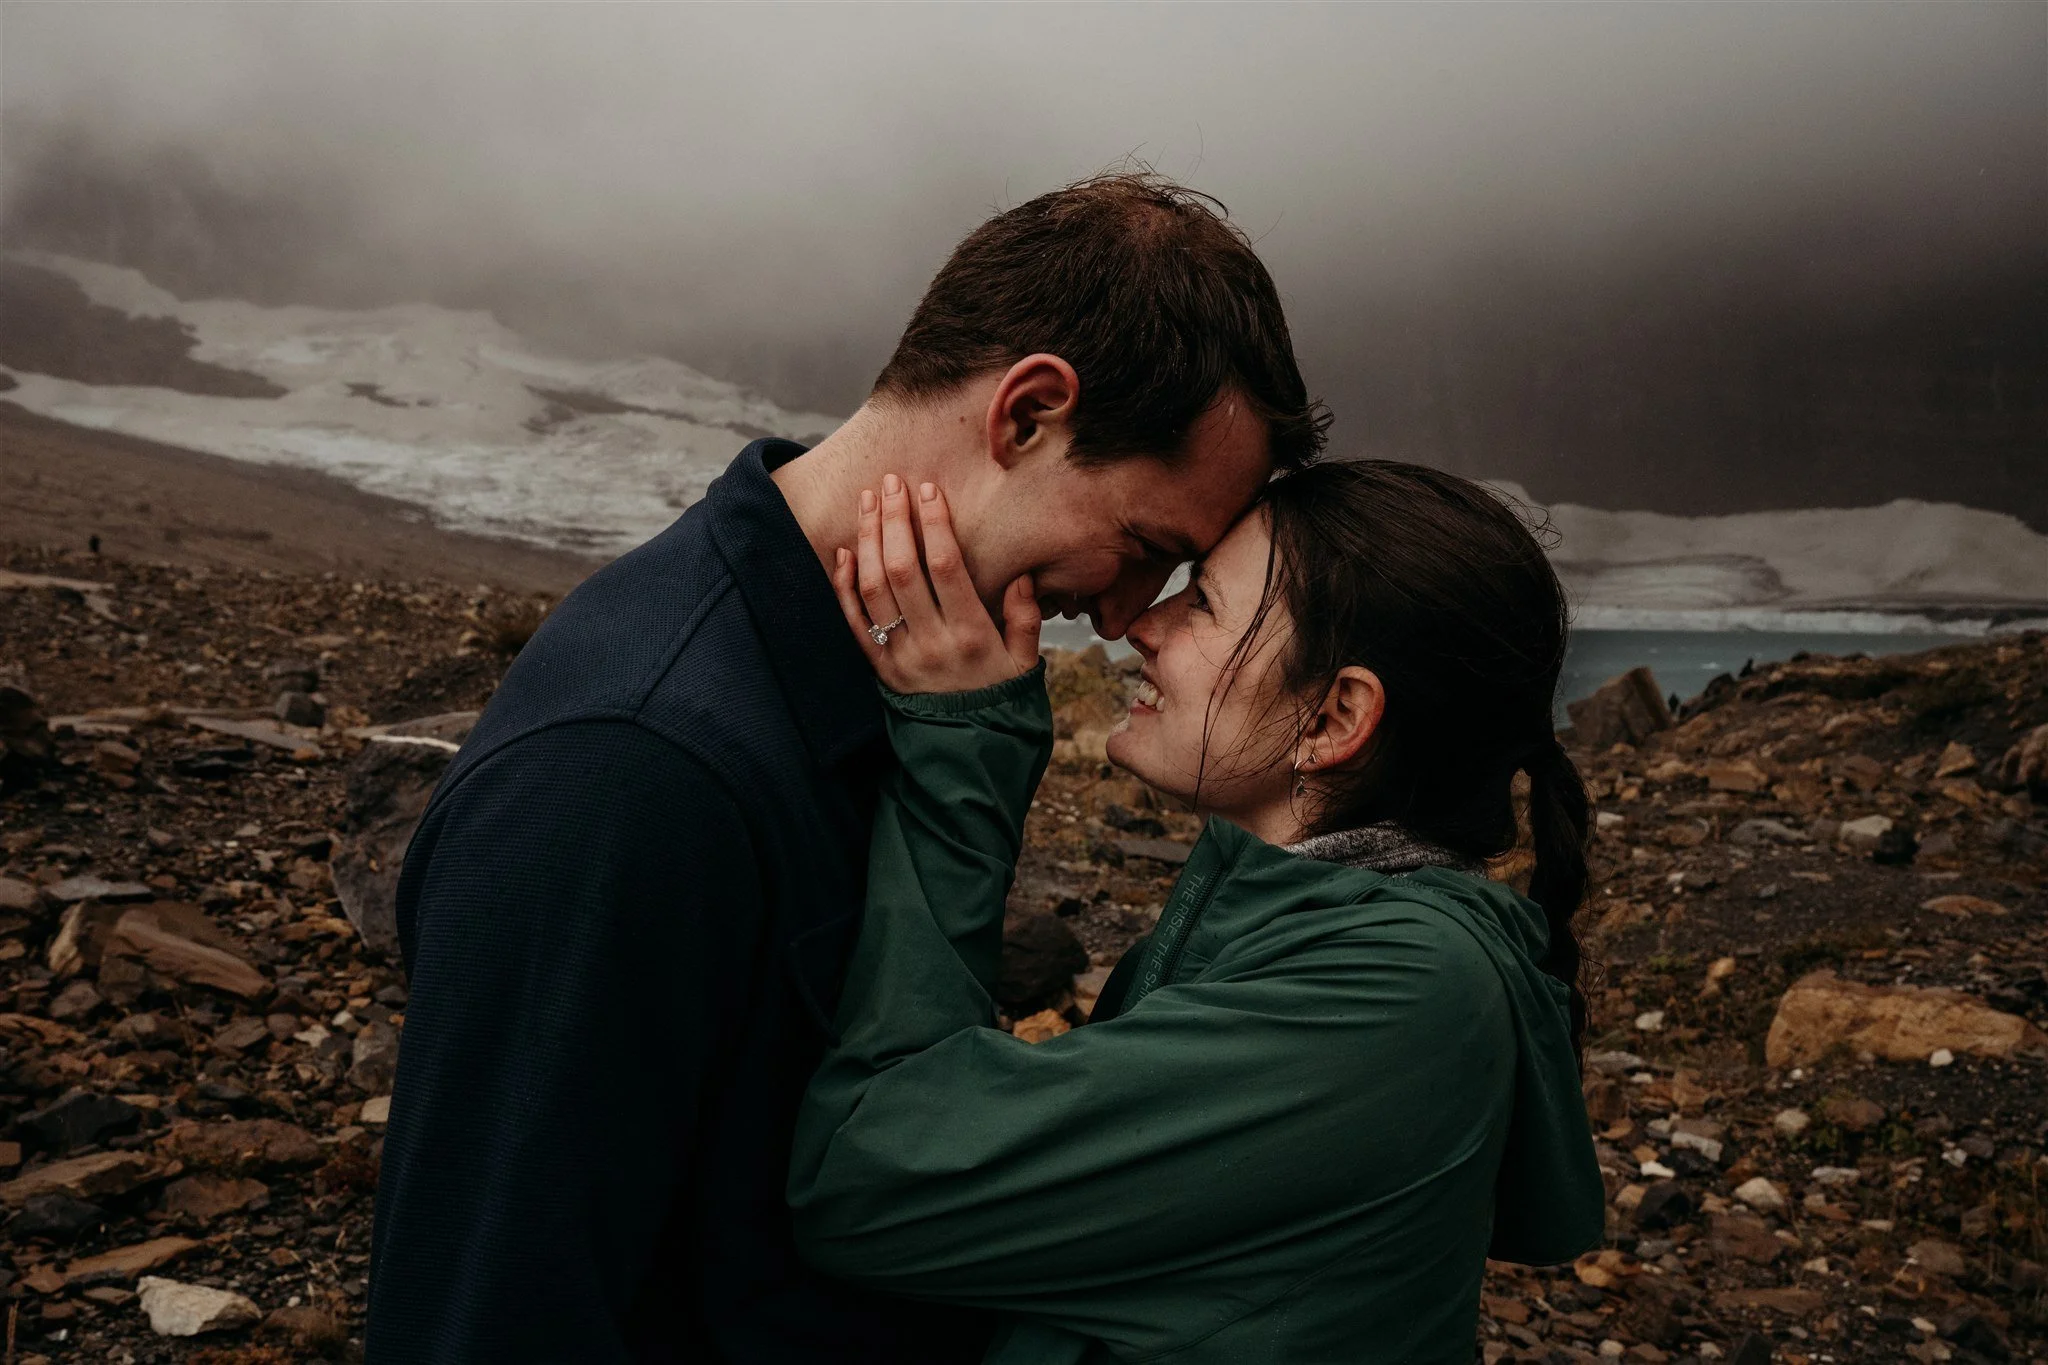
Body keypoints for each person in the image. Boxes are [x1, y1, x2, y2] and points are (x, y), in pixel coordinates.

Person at [365, 173, 1327, 1363]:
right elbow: (485, 1309)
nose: (1128, 613)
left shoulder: (899, 687)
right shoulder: (627, 770)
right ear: (1026, 414)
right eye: (1139, 545)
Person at [789, 459, 1605, 1363]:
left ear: (1333, 718)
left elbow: (869, 1178)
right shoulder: (1303, 926)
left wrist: (963, 755)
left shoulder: (1399, 993)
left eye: (1204, 602)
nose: (1141, 624)